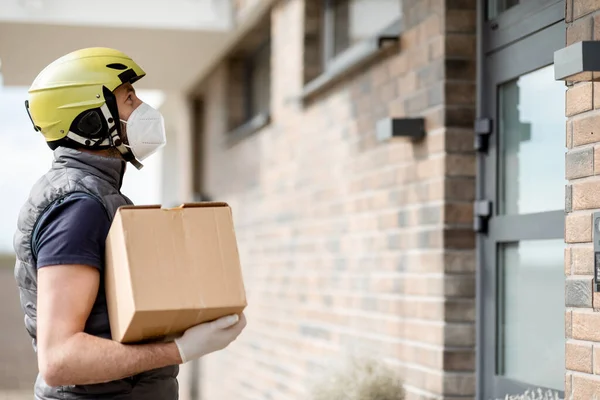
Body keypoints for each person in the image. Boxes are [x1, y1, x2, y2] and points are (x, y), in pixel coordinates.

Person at [13, 47, 246, 400]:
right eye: (129, 99)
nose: (142, 109)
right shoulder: (79, 207)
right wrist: (181, 350)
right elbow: (61, 359)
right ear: (90, 120)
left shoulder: (96, 195)